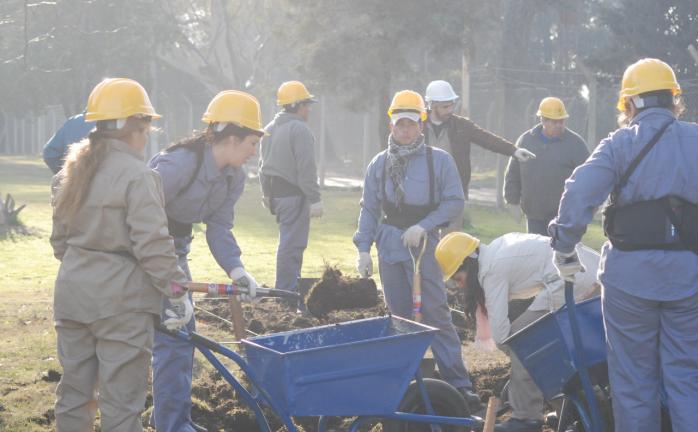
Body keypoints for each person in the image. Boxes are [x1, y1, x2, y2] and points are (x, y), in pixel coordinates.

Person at [548, 58, 698, 431]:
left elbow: (579, 192)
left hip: (629, 282)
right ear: (674, 101)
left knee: (633, 383)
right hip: (690, 280)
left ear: (629, 105)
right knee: (688, 379)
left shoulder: (619, 144)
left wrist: (564, 248)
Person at [50, 78, 192, 432]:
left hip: (72, 296)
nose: (146, 139)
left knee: (74, 397)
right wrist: (177, 293)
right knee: (121, 406)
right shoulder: (139, 176)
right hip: (122, 305)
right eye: (145, 129)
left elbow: (59, 244)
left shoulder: (71, 172)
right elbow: (154, 247)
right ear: (135, 127)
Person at [353, 89, 480, 409]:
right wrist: (363, 248)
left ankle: (457, 382)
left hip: (425, 243)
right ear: (391, 126)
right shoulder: (378, 164)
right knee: (398, 316)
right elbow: (369, 208)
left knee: (436, 312)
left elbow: (454, 202)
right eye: (400, 124)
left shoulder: (439, 161)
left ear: (421, 124)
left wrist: (424, 226)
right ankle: (405, 381)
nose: (405, 129)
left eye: (411, 123)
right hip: (390, 245)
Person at [148, 90, 266, 432]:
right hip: (142, 254)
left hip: (176, 255)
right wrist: (168, 282)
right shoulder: (178, 164)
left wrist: (237, 269)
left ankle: (171, 422)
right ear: (231, 138)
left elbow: (219, 228)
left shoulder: (234, 177)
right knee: (172, 338)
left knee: (181, 339)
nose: (254, 151)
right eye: (252, 143)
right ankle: (168, 425)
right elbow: (138, 215)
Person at [435, 232, 600, 432]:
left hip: (574, 278)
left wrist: (522, 362)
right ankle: (572, 406)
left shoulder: (492, 271)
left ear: (468, 264)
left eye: (457, 278)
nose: (459, 285)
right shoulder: (496, 250)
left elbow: (501, 335)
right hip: (589, 271)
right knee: (537, 345)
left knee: (523, 340)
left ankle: (526, 418)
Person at [424, 80, 535, 232]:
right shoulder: (416, 126)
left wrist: (514, 151)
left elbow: (487, 139)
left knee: (451, 242)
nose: (450, 110)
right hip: (422, 192)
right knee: (424, 239)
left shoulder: (462, 126)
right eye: (445, 107)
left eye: (451, 105)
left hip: (454, 194)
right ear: (431, 105)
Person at [259, 80, 323, 301]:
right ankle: (286, 295)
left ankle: (287, 290)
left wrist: (267, 194)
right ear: (296, 105)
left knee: (287, 243)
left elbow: (262, 165)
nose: (309, 109)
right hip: (295, 196)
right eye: (306, 104)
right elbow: (306, 167)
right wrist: (315, 199)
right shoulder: (300, 129)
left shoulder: (268, 128)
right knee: (292, 246)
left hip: (276, 195)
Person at [504, 97, 589, 235]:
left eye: (561, 121)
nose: (559, 125)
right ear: (542, 120)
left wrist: (584, 208)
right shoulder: (526, 140)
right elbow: (513, 174)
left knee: (560, 255)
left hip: (564, 218)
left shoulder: (576, 144)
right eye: (554, 121)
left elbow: (588, 178)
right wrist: (512, 201)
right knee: (537, 254)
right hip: (534, 215)